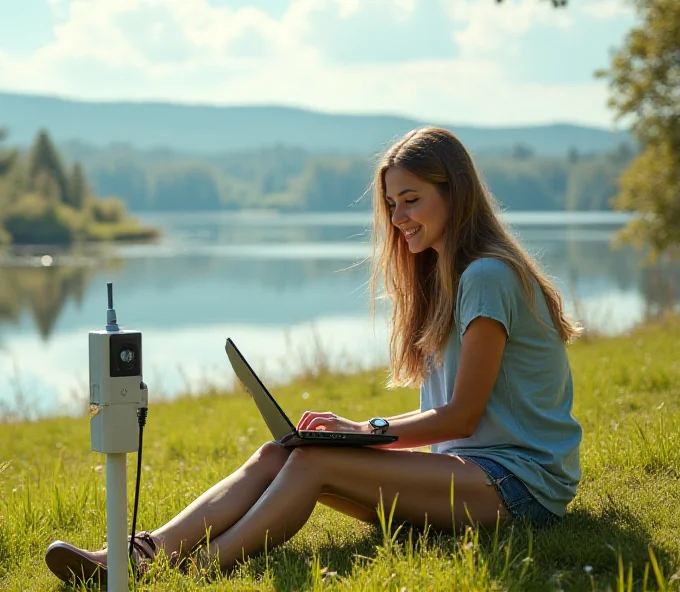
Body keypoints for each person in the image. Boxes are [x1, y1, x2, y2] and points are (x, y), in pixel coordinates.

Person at [44, 126, 583, 585]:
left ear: (456, 193)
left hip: (520, 486)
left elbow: (462, 417)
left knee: (315, 458)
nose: (398, 217)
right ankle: (135, 556)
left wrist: (361, 430)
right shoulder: (445, 277)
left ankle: (183, 573)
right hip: (473, 476)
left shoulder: (487, 276)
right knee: (281, 451)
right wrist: (352, 437)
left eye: (412, 200)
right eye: (392, 204)